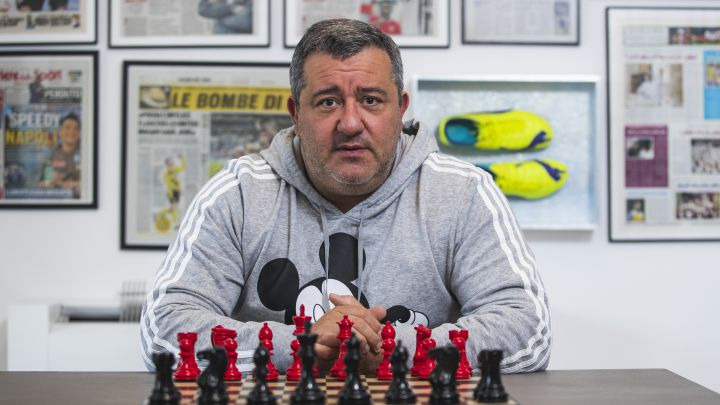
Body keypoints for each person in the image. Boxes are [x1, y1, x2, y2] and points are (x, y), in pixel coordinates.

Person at [141, 19, 550, 375]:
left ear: (400, 109)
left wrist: (391, 349)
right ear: (296, 114)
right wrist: (301, 347)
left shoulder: (463, 193)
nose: (351, 123)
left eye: (371, 100)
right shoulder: (239, 195)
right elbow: (164, 330)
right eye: (328, 102)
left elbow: (527, 331)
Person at [43, 112, 81, 197]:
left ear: (79, 133)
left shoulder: (86, 154)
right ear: (60, 131)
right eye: (67, 128)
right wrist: (50, 181)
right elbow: (45, 181)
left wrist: (62, 183)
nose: (71, 132)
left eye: (75, 128)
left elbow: (89, 184)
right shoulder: (51, 155)